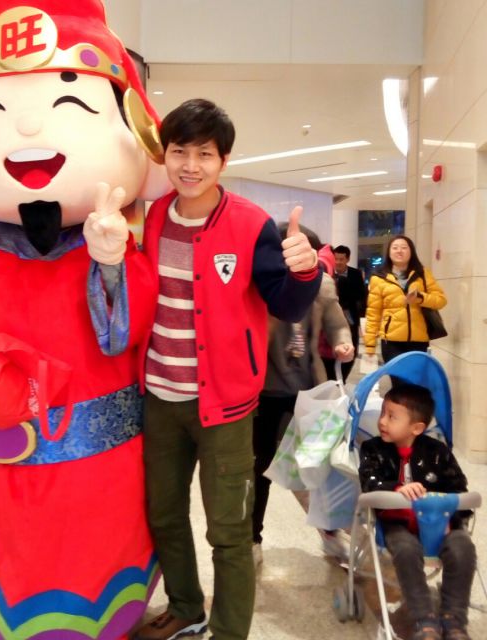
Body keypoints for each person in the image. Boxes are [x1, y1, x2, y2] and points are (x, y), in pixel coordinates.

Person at [0, 1, 173, 638]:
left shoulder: (114, 243)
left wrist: (110, 264)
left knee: (95, 540)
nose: (25, 126)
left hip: (98, 455)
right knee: (2, 540)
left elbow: (130, 328)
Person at [132, 98, 322, 640]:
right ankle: (185, 607)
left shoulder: (250, 224)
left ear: (224, 160)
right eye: (179, 152)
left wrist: (304, 271)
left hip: (226, 407)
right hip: (160, 398)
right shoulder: (151, 217)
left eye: (205, 154)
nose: (190, 165)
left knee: (230, 530)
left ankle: (230, 631)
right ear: (164, 155)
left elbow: (286, 304)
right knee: (164, 516)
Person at [252, 225, 355, 566]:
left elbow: (337, 323)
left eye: (304, 252)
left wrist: (343, 342)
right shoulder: (263, 283)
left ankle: (330, 532)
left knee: (321, 465)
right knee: (260, 466)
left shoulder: (322, 285)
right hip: (265, 390)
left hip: (311, 389)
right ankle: (253, 537)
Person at [359, 383, 476, 640]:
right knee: (405, 549)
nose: (382, 421)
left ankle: (454, 619)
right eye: (383, 413)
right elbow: (369, 482)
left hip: (440, 523)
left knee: (463, 547)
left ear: (417, 428)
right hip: (397, 524)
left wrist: (452, 512)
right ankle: (425, 619)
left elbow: (458, 488)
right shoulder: (373, 450)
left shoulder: (438, 453)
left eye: (392, 416)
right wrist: (397, 488)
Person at [363, 235, 447, 368]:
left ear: (411, 251)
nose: (399, 251)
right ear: (389, 252)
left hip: (418, 341)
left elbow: (441, 300)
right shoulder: (379, 278)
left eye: (404, 248)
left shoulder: (422, 274)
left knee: (415, 380)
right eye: (395, 248)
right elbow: (373, 313)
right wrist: (370, 345)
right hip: (391, 342)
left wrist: (421, 298)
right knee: (398, 380)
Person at [322, 244, 366, 382]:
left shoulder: (356, 274)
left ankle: (343, 378)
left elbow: (362, 295)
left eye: (341, 259)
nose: (338, 262)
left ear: (347, 259)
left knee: (350, 344)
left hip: (350, 315)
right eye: (336, 259)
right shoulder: (327, 273)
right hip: (330, 315)